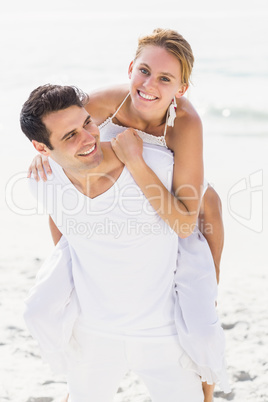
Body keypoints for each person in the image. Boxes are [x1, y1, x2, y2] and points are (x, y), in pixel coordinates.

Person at [26, 28, 228, 401]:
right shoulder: (104, 103)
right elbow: (59, 123)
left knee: (209, 211)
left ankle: (207, 325)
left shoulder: (185, 123)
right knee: (70, 230)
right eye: (144, 71)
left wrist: (135, 160)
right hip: (103, 203)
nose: (149, 84)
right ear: (131, 67)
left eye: (165, 79)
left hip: (170, 201)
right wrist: (45, 153)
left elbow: (186, 221)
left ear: (180, 89)